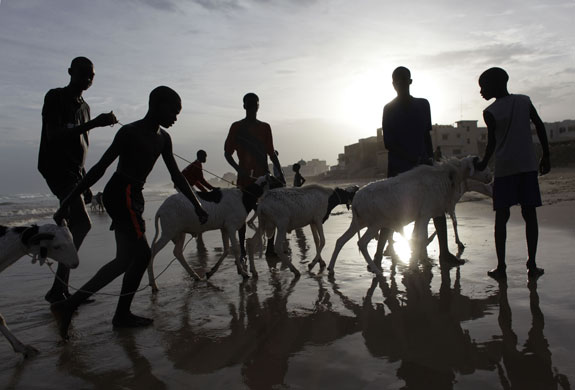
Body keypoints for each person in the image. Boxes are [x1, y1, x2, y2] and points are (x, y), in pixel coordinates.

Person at [51, 86, 208, 338]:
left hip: (135, 195)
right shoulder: (130, 132)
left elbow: (177, 176)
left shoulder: (164, 139)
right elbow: (100, 168)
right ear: (156, 105)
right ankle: (114, 312)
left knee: (124, 260)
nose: (176, 117)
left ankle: (73, 306)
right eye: (173, 111)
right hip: (120, 192)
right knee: (143, 254)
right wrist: (68, 200)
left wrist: (197, 205)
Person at [38, 56, 118, 304]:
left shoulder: (85, 107)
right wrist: (95, 123)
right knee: (82, 224)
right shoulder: (55, 97)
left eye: (91, 75)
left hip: (75, 172)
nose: (87, 79)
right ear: (70, 71)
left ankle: (58, 288)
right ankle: (59, 287)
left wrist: (85, 180)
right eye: (83, 73)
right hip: (56, 168)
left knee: (76, 224)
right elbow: (55, 136)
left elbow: (82, 144)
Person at [474, 67, 550, 280]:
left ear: (496, 84)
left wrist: (482, 164)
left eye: (483, 86)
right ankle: (532, 265)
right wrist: (546, 155)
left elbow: (492, 144)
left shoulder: (490, 112)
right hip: (527, 166)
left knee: (502, 218)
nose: (481, 91)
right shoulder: (524, 101)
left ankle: (501, 267)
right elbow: (539, 126)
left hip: (506, 169)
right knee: (530, 215)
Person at [382, 66, 460, 264]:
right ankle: (386, 251)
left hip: (423, 166)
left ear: (410, 81)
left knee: (436, 208)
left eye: (403, 81)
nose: (400, 85)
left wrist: (430, 158)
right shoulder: (388, 109)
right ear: (393, 85)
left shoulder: (423, 105)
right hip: (400, 168)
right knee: (394, 210)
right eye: (396, 82)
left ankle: (444, 253)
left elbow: (426, 135)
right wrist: (412, 158)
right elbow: (389, 143)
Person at [224, 93, 285, 257]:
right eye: (249, 103)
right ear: (244, 106)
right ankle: (242, 249)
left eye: (254, 104)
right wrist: (238, 168)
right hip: (245, 180)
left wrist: (280, 174)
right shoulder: (236, 127)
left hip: (264, 180)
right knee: (242, 215)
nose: (252, 106)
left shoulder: (265, 127)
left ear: (258, 106)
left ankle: (270, 247)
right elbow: (227, 153)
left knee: (271, 212)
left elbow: (272, 153)